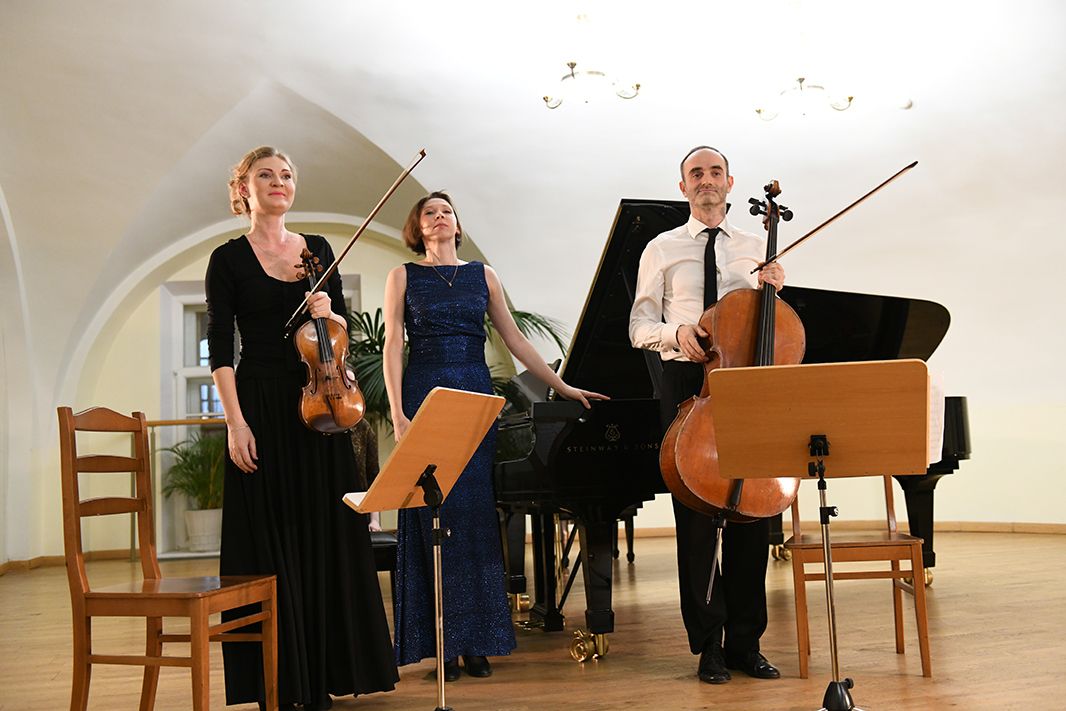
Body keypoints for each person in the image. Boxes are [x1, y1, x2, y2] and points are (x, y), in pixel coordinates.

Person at [382, 191, 606, 681]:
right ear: (418, 228)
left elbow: (514, 338)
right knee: (432, 513)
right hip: (424, 394)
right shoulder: (403, 275)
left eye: (446, 211)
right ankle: (441, 642)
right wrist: (398, 413)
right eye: (429, 213)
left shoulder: (483, 275)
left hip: (474, 397)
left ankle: (477, 640)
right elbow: (393, 344)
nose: (439, 217)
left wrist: (563, 385)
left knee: (473, 515)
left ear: (457, 225)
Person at [206, 146, 398, 710]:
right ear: (243, 188)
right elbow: (220, 347)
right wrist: (235, 422)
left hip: (320, 407)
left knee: (326, 530)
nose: (279, 182)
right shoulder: (228, 258)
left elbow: (340, 332)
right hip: (261, 405)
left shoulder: (317, 250)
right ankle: (280, 679)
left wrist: (328, 312)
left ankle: (326, 673)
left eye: (286, 175)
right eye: (265, 175)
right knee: (270, 538)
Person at [628, 146, 786, 685]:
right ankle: (708, 646)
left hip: (746, 387)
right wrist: (678, 332)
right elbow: (638, 327)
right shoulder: (661, 248)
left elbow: (766, 325)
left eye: (715, 172)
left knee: (751, 517)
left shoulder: (754, 248)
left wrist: (774, 288)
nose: (706, 180)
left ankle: (746, 643)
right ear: (683, 187)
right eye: (696, 173)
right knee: (697, 522)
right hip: (686, 384)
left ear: (729, 182)